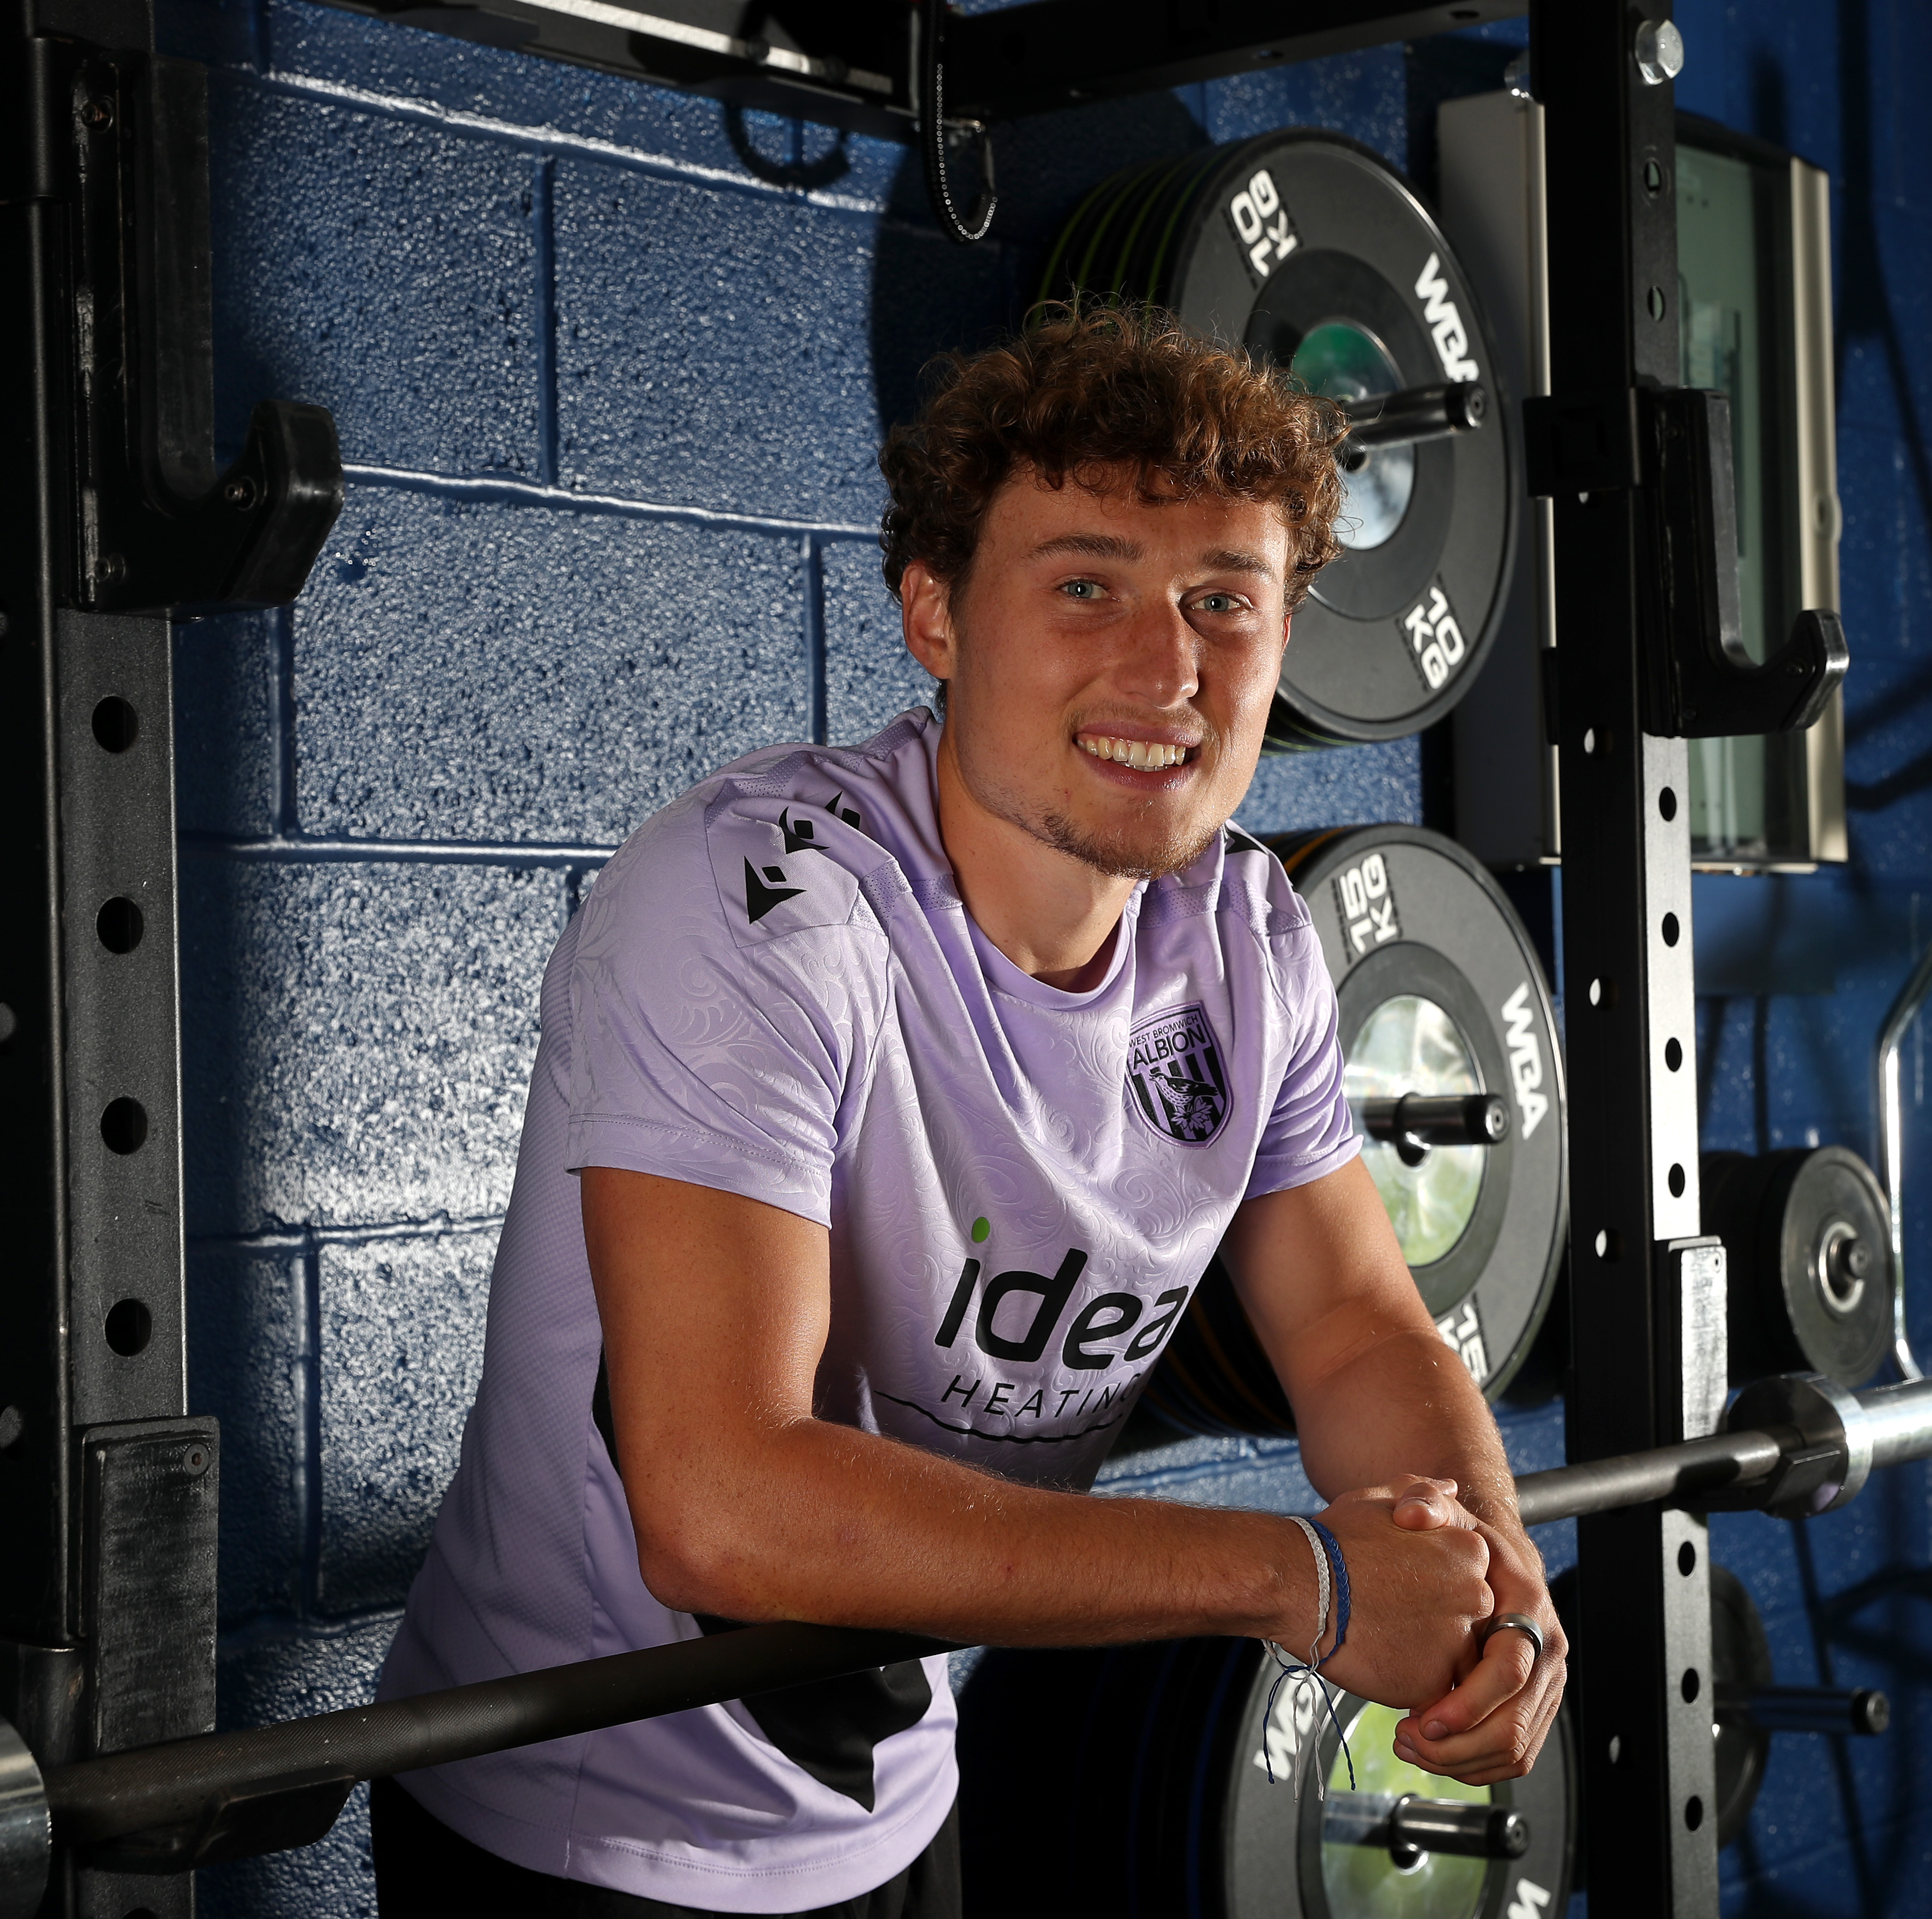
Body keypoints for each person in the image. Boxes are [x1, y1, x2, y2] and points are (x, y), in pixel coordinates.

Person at [371, 305, 1567, 1918]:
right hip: (585, 1817)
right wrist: (1300, 1578)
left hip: (898, 1790)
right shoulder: (759, 909)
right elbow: (721, 1501)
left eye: (1225, 601)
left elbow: (1355, 1326)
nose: (1166, 668)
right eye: (1086, 587)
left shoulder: (1252, 940)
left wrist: (1493, 1577)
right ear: (934, 614)